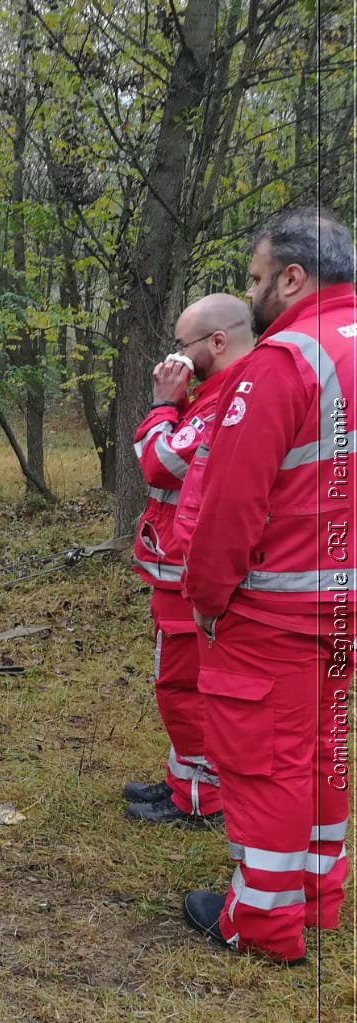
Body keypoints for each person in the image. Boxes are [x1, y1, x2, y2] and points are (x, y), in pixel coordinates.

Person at [181, 208, 356, 963]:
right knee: (321, 750)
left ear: (293, 276)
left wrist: (208, 599)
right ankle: (318, 895)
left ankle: (260, 921)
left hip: (280, 605)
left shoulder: (285, 360)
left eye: (256, 280)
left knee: (264, 764)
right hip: (342, 607)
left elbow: (229, 505)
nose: (251, 296)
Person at [123, 294, 255, 827]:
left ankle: (201, 799)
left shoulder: (230, 397)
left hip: (191, 574)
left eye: (183, 347)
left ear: (217, 342)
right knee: (178, 684)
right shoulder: (213, 393)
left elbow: (159, 464)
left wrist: (162, 403)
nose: (173, 359)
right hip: (176, 569)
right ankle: (185, 782)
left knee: (187, 687)